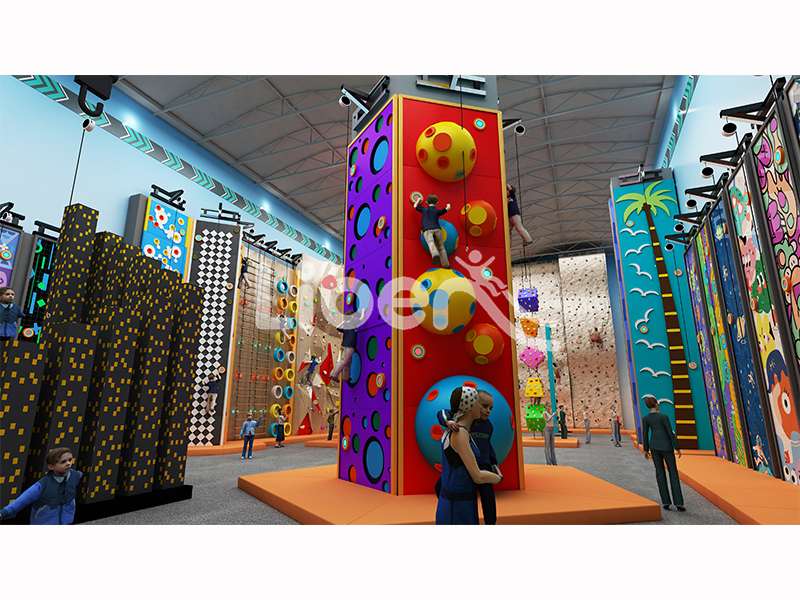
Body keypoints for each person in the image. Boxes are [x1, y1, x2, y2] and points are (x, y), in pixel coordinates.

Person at [435, 385, 503, 525]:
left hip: (476, 472)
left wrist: (492, 462)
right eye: (480, 404)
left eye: (490, 407)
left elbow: (488, 445)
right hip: (458, 497)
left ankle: (491, 523)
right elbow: (478, 476)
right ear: (470, 406)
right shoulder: (459, 430)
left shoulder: (487, 426)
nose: (485, 410)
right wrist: (499, 478)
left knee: (488, 498)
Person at [0, 447, 82, 525]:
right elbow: (23, 500)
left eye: (70, 460)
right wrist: (3, 513)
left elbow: (77, 475)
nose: (68, 463)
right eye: (63, 462)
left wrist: (80, 474)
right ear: (51, 466)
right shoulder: (43, 485)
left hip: (66, 521)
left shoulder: (74, 476)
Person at [642, 396, 685, 511]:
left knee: (660, 474)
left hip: (654, 447)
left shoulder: (646, 418)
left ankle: (666, 502)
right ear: (656, 404)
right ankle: (679, 503)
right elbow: (670, 433)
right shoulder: (664, 417)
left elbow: (645, 434)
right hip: (666, 447)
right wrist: (677, 447)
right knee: (673, 474)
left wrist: (646, 449)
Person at [414, 194, 451, 269]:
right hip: (437, 229)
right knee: (441, 247)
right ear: (437, 203)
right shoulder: (437, 211)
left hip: (427, 229)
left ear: (427, 203)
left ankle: (435, 254)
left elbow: (415, 206)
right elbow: (447, 209)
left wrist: (418, 200)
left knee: (431, 242)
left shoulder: (424, 209)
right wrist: (448, 205)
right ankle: (446, 264)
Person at [329, 308, 365, 383]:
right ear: (352, 317)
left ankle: (346, 377)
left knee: (347, 362)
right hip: (349, 346)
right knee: (344, 361)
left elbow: (337, 327)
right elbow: (361, 318)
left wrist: (343, 322)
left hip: (345, 345)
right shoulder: (352, 324)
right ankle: (333, 374)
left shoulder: (346, 325)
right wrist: (363, 311)